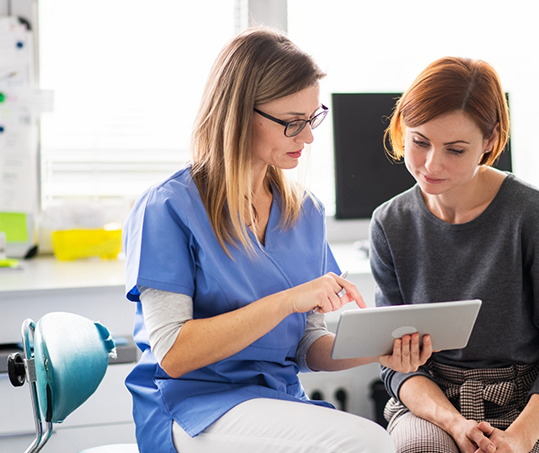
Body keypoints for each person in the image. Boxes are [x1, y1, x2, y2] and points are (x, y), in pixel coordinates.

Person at [122, 27, 432, 453]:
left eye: (312, 119)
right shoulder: (169, 207)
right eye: (292, 123)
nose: (307, 137)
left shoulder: (304, 213)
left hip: (276, 399)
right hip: (192, 407)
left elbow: (308, 348)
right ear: (237, 113)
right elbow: (174, 352)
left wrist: (379, 349)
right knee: (365, 443)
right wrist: (289, 300)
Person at [369, 56, 539, 453]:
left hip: (529, 403)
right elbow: (396, 365)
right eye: (419, 141)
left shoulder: (533, 214)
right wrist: (455, 424)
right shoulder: (390, 223)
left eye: (455, 150)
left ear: (490, 141)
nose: (431, 164)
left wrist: (521, 438)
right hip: (434, 404)